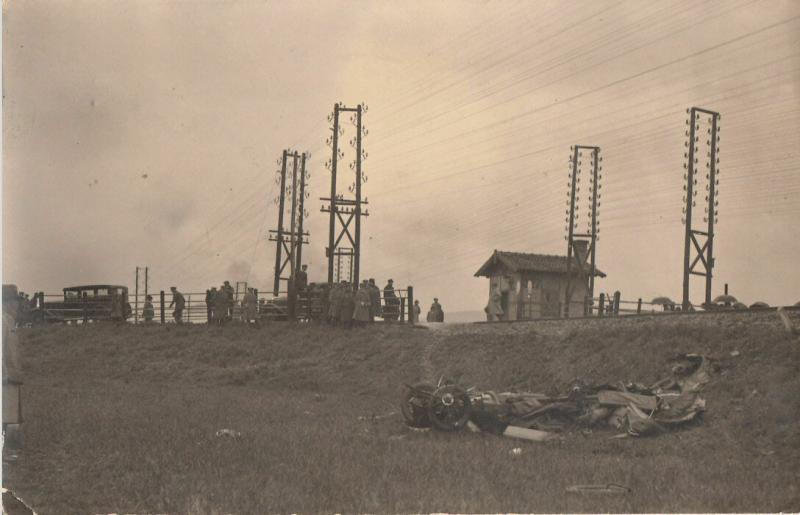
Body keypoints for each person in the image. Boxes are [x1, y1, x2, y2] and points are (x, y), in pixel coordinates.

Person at [3, 284, 24, 463]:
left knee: (11, 416)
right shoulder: (3, 321)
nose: (16, 306)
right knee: (8, 417)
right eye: (12, 301)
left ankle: (8, 452)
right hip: (5, 378)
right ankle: (7, 453)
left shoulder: (10, 322)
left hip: (12, 376)